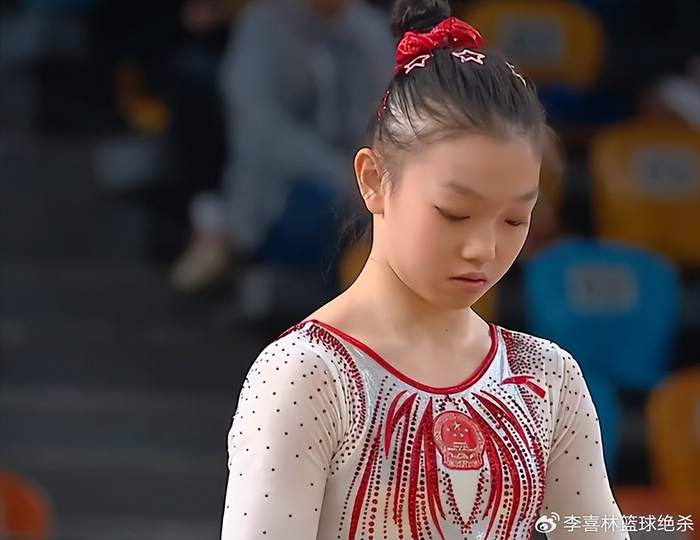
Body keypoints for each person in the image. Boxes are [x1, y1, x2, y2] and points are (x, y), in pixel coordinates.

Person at [220, 1, 629, 538]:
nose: (483, 248)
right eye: (455, 213)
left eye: (514, 219)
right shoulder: (306, 376)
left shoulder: (547, 377)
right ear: (374, 180)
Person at [170, 0, 395, 291]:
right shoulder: (262, 27)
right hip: (281, 190)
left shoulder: (372, 31)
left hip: (363, 183)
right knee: (322, 212)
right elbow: (261, 128)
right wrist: (341, 174)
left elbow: (388, 118)